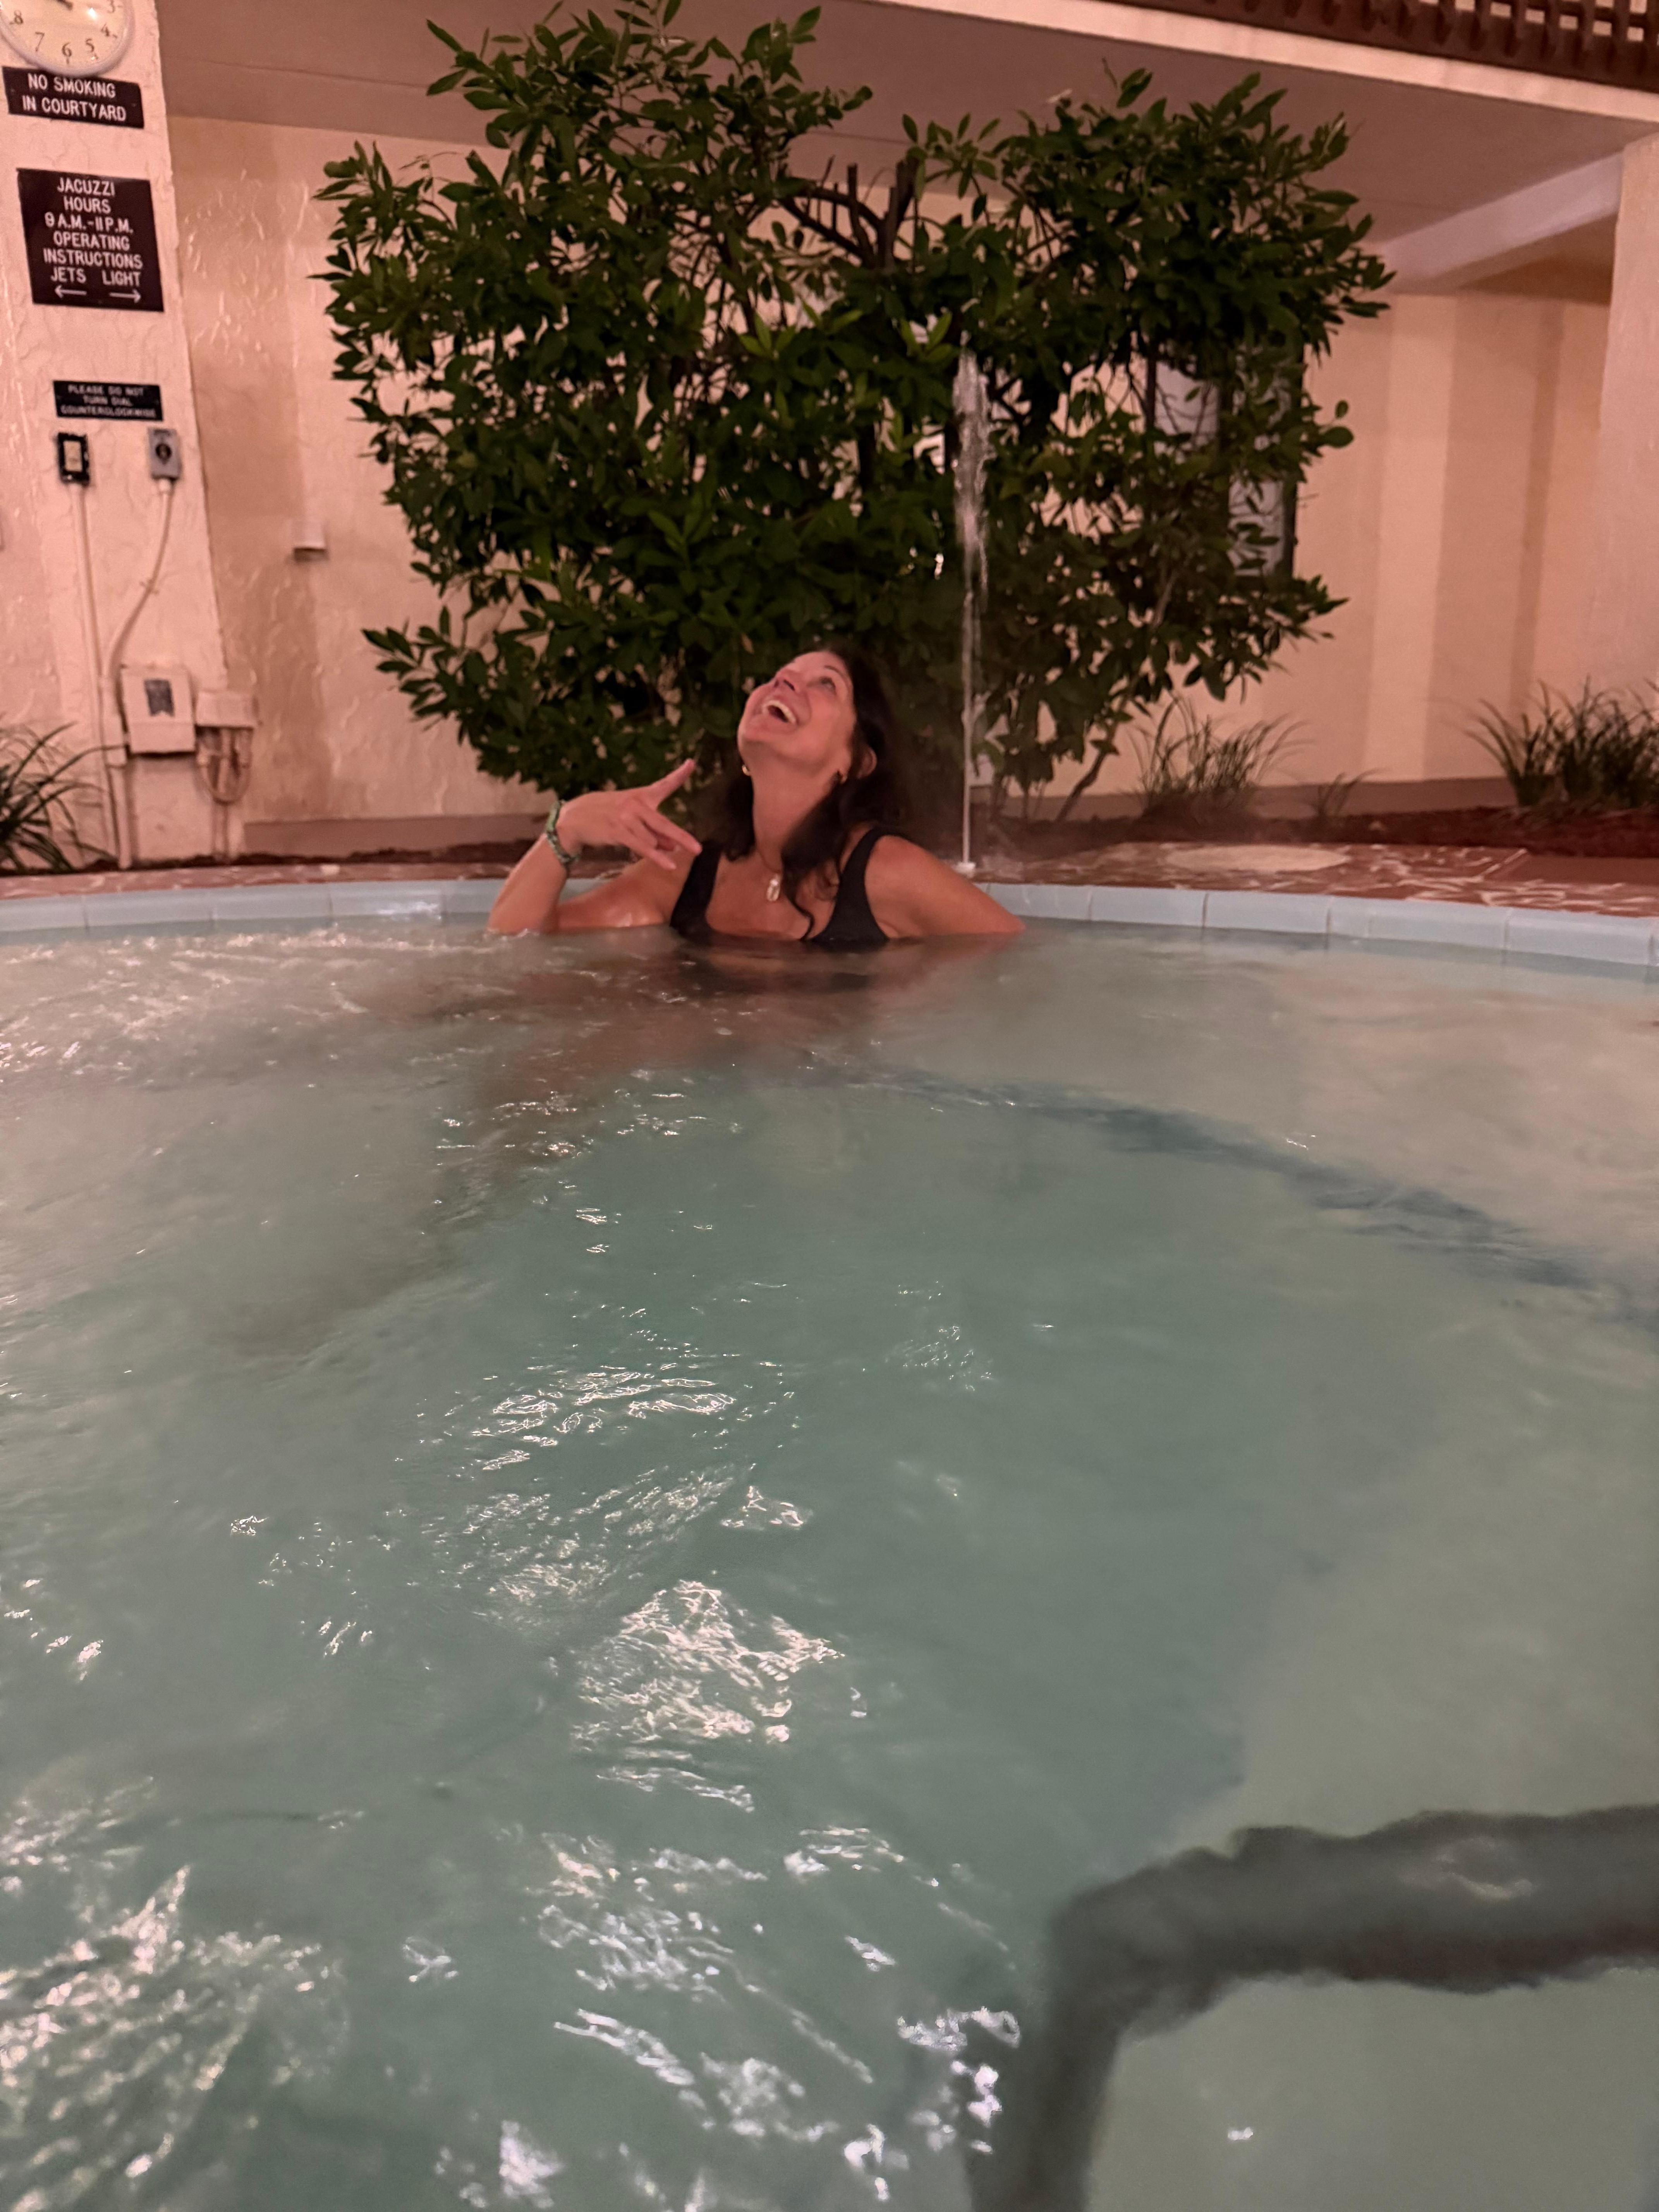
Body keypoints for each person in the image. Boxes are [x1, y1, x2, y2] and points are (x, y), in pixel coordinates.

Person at [487, 645, 1022, 944]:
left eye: (826, 684)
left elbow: (1015, 966)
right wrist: (568, 827)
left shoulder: (884, 872)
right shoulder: (685, 875)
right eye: (782, 676)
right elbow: (514, 943)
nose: (783, 683)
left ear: (856, 761)